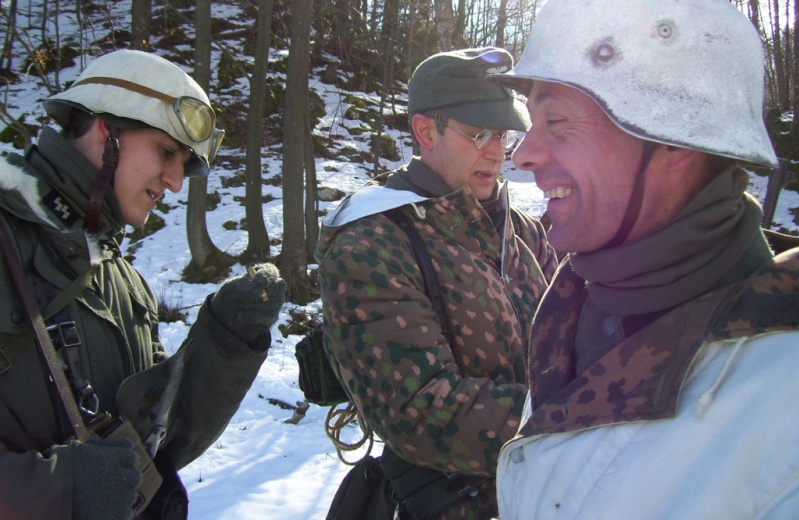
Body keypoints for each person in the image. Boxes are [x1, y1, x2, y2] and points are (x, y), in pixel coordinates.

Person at [490, 0, 799, 519]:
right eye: (531, 124)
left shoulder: (782, 400)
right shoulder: (574, 303)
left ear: (673, 140)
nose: (524, 155)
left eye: (557, 120)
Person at [0, 49, 286, 519]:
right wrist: (59, 489)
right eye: (166, 152)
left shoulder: (123, 281)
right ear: (105, 129)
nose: (175, 182)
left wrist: (226, 343)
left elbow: (154, 444)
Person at [317, 47, 558, 519]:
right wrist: (573, 419)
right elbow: (417, 409)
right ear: (426, 132)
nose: (497, 152)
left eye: (503, 135)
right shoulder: (373, 241)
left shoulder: (526, 231)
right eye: (479, 133)